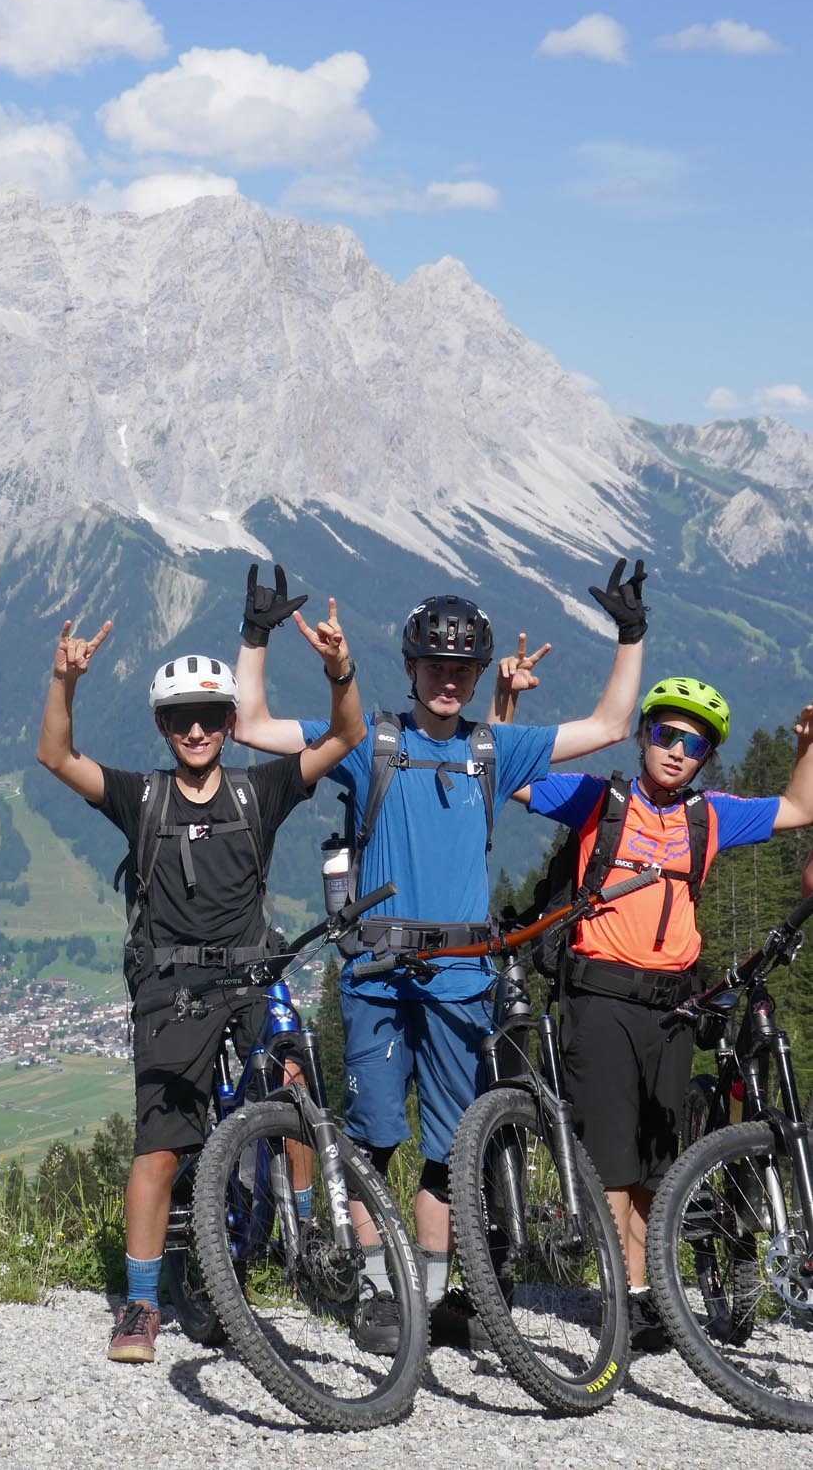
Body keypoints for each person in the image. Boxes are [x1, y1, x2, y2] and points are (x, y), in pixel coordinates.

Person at [232, 558, 649, 1352]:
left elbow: (610, 727)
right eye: (436, 666)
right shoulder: (368, 742)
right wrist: (257, 634)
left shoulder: (496, 749)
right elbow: (250, 724)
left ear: (474, 672)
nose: (449, 680)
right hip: (379, 977)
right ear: (413, 667)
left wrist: (631, 635)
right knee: (372, 1139)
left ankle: (429, 1297)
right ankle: (375, 1292)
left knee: (450, 1150)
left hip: (464, 977)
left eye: (462, 668)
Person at [35, 591, 364, 1364]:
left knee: (297, 1099)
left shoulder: (260, 790)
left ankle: (305, 1239)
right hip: (172, 988)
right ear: (162, 726)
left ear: (226, 725)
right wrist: (64, 682)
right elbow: (55, 757)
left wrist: (339, 669)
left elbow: (348, 732)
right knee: (157, 1151)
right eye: (181, 718)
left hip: (254, 974)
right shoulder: (141, 797)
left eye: (210, 717)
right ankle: (141, 1307)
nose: (195, 729)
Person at [513, 679, 813, 1351]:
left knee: (654, 1160)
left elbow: (799, 806)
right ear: (646, 736)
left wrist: (808, 744)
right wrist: (507, 705)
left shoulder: (709, 816)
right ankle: (620, 1297)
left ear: (705, 757)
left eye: (695, 744)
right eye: (666, 736)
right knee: (614, 1158)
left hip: (674, 1005)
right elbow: (512, 779)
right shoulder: (602, 801)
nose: (678, 751)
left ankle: (643, 1292)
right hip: (600, 999)